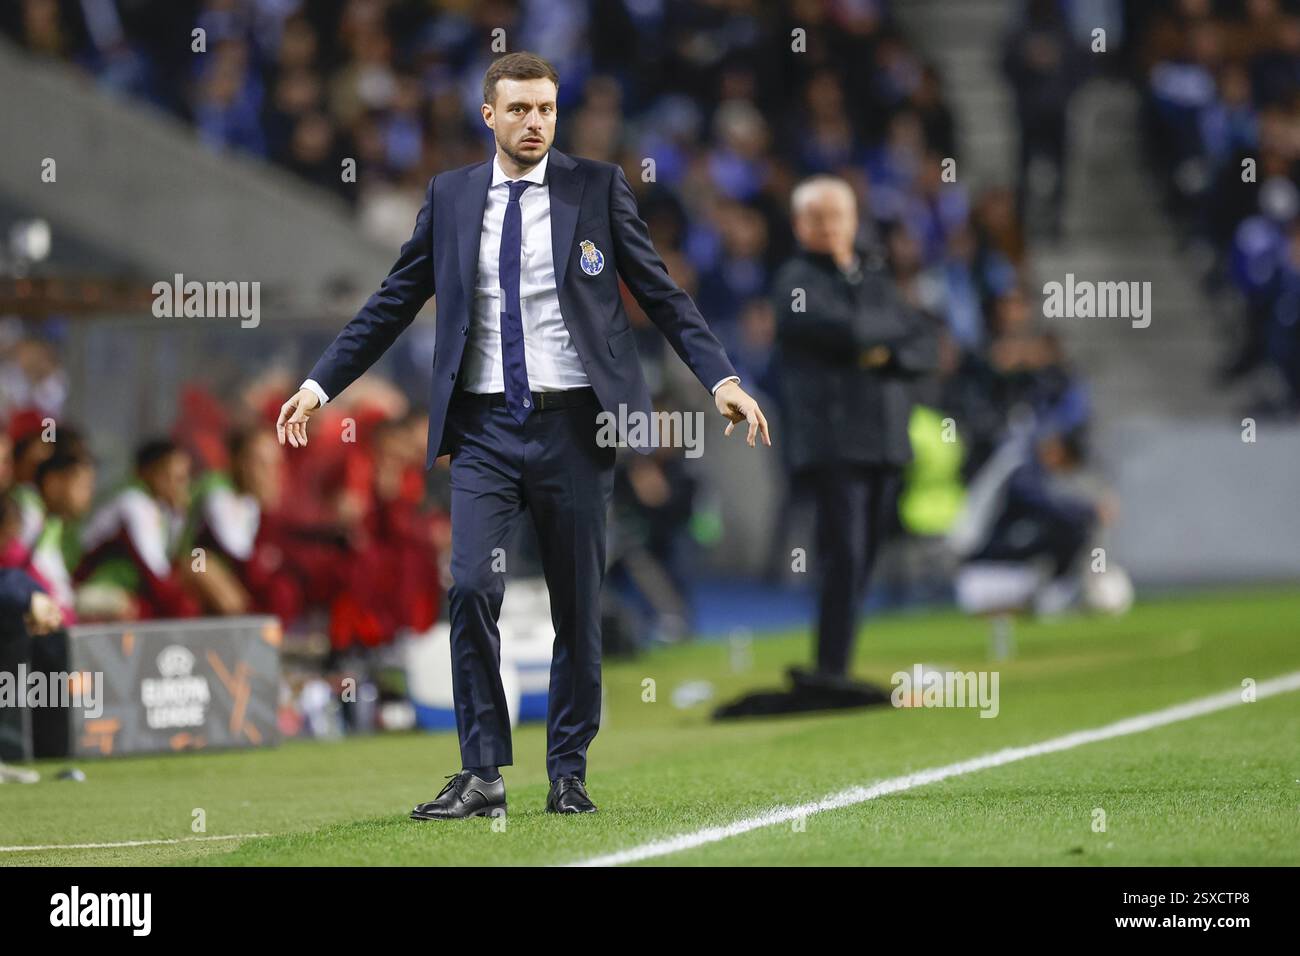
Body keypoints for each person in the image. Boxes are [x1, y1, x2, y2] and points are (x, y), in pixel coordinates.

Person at [275, 52, 770, 818]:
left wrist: (722, 379)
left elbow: (663, 294)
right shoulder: (450, 197)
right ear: (489, 115)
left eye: (545, 109)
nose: (534, 122)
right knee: (471, 584)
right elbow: (391, 303)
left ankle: (567, 770)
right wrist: (316, 385)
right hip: (483, 429)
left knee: (579, 603)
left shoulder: (597, 188)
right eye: (519, 110)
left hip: (574, 424)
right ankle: (482, 772)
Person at [767, 174, 936, 709]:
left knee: (864, 556)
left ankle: (835, 665)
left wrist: (883, 346)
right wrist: (882, 339)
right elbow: (857, 332)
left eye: (837, 215)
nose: (830, 226)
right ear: (800, 224)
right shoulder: (795, 278)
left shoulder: (872, 272)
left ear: (853, 219)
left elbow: (923, 342)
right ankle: (831, 667)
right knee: (845, 552)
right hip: (834, 441)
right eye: (818, 217)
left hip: (884, 437)